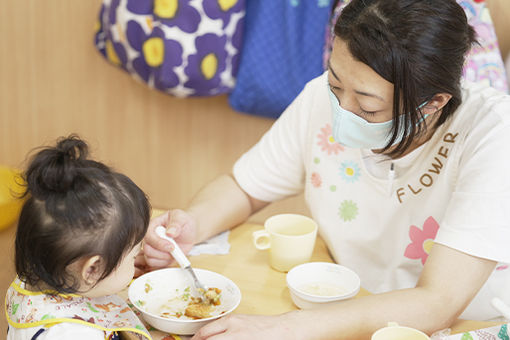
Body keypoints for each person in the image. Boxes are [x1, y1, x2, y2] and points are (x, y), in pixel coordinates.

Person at [141, 0, 510, 338]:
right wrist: (193, 224)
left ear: (434, 102)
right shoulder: (322, 96)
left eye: (368, 107)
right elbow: (244, 186)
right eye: (335, 84)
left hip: (465, 325)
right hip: (343, 312)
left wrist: (283, 329)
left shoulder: (493, 132)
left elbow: (437, 303)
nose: (341, 110)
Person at [5, 135, 152, 340]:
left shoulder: (33, 279)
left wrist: (113, 269)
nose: (137, 258)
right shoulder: (74, 334)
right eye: (133, 256)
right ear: (92, 269)